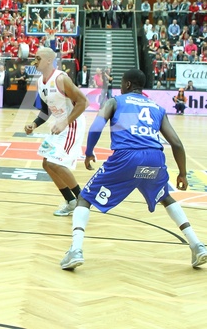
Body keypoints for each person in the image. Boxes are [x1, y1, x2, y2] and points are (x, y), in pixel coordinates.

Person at [60, 69, 207, 270]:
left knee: (84, 198)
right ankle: (197, 245)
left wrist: (89, 153)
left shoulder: (115, 101)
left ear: (127, 85)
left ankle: (75, 250)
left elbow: (96, 127)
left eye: (122, 83)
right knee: (165, 196)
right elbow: (177, 143)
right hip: (154, 159)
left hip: (126, 157)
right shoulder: (156, 107)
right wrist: (182, 172)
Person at [25, 47, 89, 216]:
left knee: (55, 162)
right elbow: (46, 110)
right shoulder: (40, 81)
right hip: (60, 124)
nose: (35, 61)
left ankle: (83, 201)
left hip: (72, 123)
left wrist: (65, 122)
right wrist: (34, 124)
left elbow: (83, 102)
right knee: (47, 164)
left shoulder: (61, 79)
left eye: (38, 58)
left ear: (48, 60)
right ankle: (71, 201)